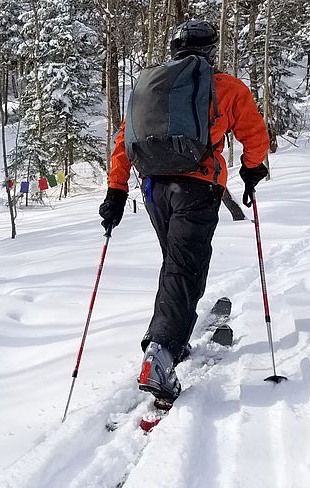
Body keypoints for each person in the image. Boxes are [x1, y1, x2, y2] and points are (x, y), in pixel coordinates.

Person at [99, 19, 270, 407]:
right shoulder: (223, 86)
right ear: (210, 50)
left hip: (155, 188)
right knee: (185, 267)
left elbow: (125, 141)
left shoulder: (152, 89)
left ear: (175, 49)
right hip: (197, 187)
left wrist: (115, 189)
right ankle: (159, 352)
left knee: (177, 264)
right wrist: (253, 168)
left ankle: (173, 340)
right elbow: (254, 134)